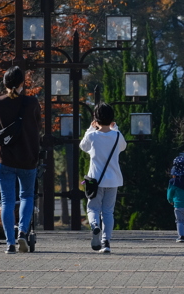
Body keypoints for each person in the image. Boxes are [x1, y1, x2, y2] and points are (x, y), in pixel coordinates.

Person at [0, 66, 41, 255]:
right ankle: (22, 233)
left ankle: (9, 242)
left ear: (4, 83)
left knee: (7, 200)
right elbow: (37, 129)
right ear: (22, 83)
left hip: (4, 159)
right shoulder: (32, 103)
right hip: (27, 158)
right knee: (26, 196)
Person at [80, 103, 127, 254]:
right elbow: (123, 147)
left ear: (96, 119)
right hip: (113, 180)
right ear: (112, 118)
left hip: (95, 180)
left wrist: (90, 128)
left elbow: (83, 146)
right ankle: (106, 242)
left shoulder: (92, 136)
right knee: (108, 211)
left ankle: (95, 226)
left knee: (93, 208)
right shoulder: (117, 135)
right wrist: (115, 128)